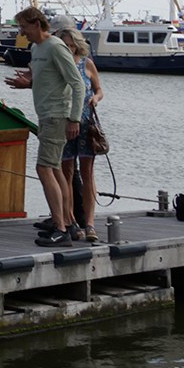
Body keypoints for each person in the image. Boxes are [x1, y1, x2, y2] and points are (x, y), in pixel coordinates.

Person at [3, 7, 85, 246]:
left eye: (24, 27)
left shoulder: (56, 46)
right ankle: (67, 223)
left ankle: (60, 228)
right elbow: (46, 80)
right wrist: (27, 84)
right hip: (45, 114)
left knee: (44, 168)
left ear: (37, 25)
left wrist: (74, 118)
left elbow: (77, 84)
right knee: (56, 169)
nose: (22, 32)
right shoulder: (36, 48)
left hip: (58, 115)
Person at [58, 28, 106, 244]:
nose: (68, 49)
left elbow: (99, 89)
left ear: (77, 45)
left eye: (71, 45)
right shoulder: (57, 64)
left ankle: (90, 223)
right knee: (66, 172)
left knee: (87, 173)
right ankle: (70, 221)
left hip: (87, 123)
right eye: (64, 45)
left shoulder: (86, 63)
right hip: (63, 122)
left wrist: (95, 98)